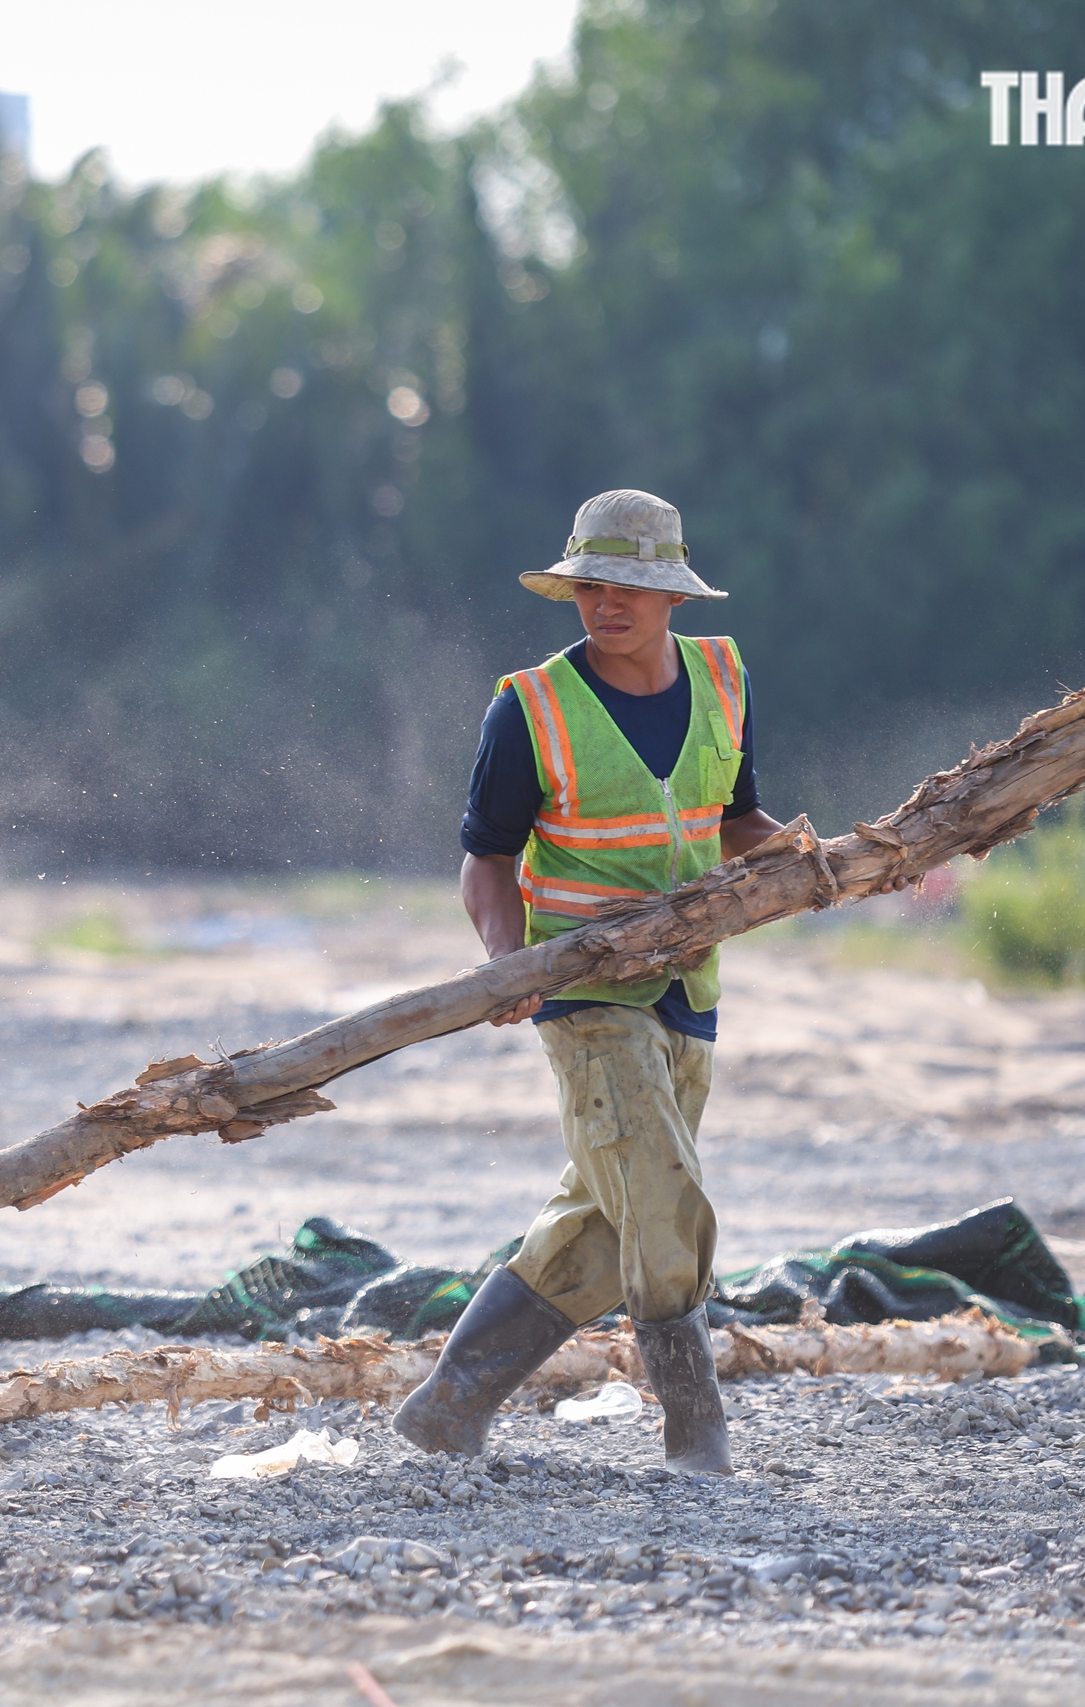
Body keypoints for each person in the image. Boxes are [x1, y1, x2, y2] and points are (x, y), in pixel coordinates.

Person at [395, 488, 781, 1475]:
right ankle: (697, 1435)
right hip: (583, 989)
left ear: (674, 596)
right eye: (590, 586)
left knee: (606, 1223)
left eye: (628, 587)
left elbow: (736, 819)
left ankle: (447, 1407)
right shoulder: (529, 709)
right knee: (660, 1187)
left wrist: (828, 860)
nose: (606, 603)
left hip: (689, 987)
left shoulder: (723, 679)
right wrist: (504, 961)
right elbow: (486, 859)